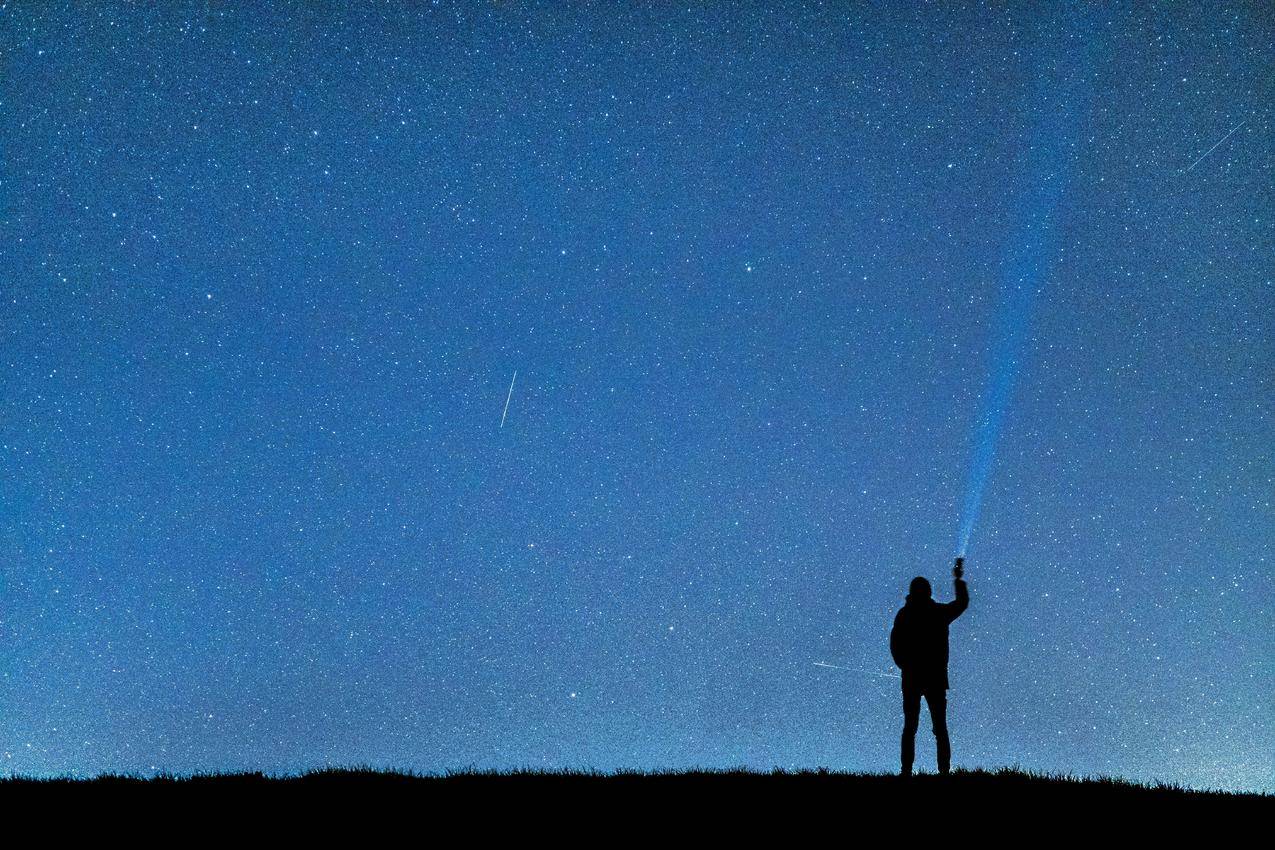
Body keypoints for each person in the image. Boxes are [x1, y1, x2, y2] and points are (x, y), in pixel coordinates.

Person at [889, 558, 969, 776]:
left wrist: (904, 665)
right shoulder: (937, 613)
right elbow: (961, 603)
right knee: (937, 729)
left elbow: (895, 643)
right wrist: (958, 580)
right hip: (932, 677)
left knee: (912, 728)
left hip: (914, 677)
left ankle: (907, 772)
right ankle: (942, 772)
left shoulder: (905, 614)